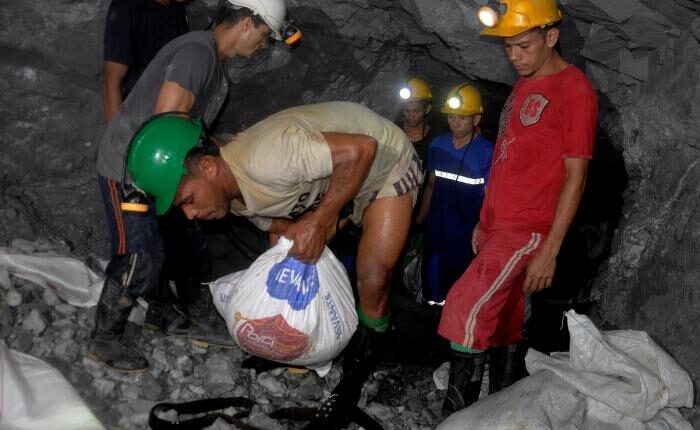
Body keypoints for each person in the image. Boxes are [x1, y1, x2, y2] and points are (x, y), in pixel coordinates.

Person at [124, 101, 421, 428]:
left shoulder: (267, 159)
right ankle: (303, 345)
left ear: (208, 167)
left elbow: (362, 149)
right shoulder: (235, 200)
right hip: (336, 176)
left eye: (189, 199)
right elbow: (281, 232)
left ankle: (358, 371)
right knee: (293, 248)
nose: (191, 215)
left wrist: (320, 223)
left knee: (374, 276)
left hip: (385, 162)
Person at [90, 0, 294, 373]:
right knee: (139, 255)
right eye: (265, 35)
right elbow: (166, 125)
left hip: (164, 169)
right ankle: (104, 339)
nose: (264, 45)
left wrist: (218, 145)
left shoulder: (215, 65)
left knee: (185, 243)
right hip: (132, 169)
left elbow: (186, 127)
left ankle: (168, 314)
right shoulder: (197, 55)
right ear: (247, 23)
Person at [438, 0, 598, 415]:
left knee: (465, 306)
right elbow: (508, 158)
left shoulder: (574, 89)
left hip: (526, 228)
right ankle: (500, 407)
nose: (514, 56)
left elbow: (575, 176)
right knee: (505, 316)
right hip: (497, 224)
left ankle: (454, 415)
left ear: (551, 37)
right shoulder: (524, 83)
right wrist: (483, 217)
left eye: (523, 46)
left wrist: (550, 248)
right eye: (508, 47)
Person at [415, 84, 493, 306]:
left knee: (459, 283)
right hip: (435, 228)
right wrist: (420, 220)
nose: (455, 122)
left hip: (465, 235)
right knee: (431, 278)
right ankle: (429, 313)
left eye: (462, 118)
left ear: (476, 119)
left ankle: (453, 319)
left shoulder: (487, 152)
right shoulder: (438, 145)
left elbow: (491, 198)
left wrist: (484, 230)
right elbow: (431, 185)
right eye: (451, 117)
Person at [101, 0, 191, 123]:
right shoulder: (127, 8)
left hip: (170, 114)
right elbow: (111, 81)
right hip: (138, 119)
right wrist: (117, 137)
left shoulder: (177, 8)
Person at [396, 77, 438, 167]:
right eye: (407, 111)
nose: (411, 116)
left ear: (427, 109)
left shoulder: (434, 139)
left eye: (416, 111)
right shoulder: (394, 131)